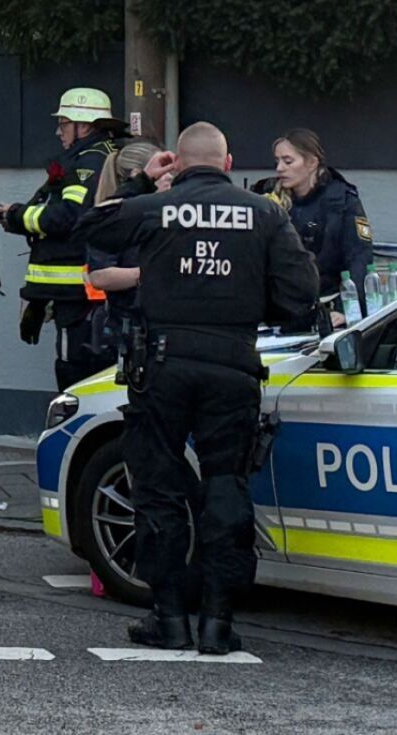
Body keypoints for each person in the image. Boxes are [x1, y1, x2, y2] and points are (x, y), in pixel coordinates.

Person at [76, 122, 319, 654]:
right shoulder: (266, 213)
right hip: (232, 364)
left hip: (161, 366)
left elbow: (89, 227)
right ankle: (217, 621)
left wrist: (141, 181)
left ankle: (169, 618)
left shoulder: (156, 206)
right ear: (228, 161)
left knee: (158, 490)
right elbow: (301, 293)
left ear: (178, 163)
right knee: (225, 488)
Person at [0, 87, 127, 391]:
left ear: (85, 126)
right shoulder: (104, 157)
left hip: (79, 299)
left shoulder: (86, 164)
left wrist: (17, 216)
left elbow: (68, 216)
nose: (58, 131)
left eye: (64, 123)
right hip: (87, 297)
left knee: (76, 381)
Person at [253, 128, 373, 325]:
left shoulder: (342, 201)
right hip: (276, 309)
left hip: (328, 304)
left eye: (288, 161)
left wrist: (347, 309)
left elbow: (360, 257)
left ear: (311, 163)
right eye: (277, 161)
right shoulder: (266, 197)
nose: (280, 168)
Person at [87, 141, 162, 339]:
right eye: (161, 173)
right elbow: (100, 275)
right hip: (124, 326)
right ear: (138, 175)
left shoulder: (165, 211)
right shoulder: (112, 217)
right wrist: (150, 273)